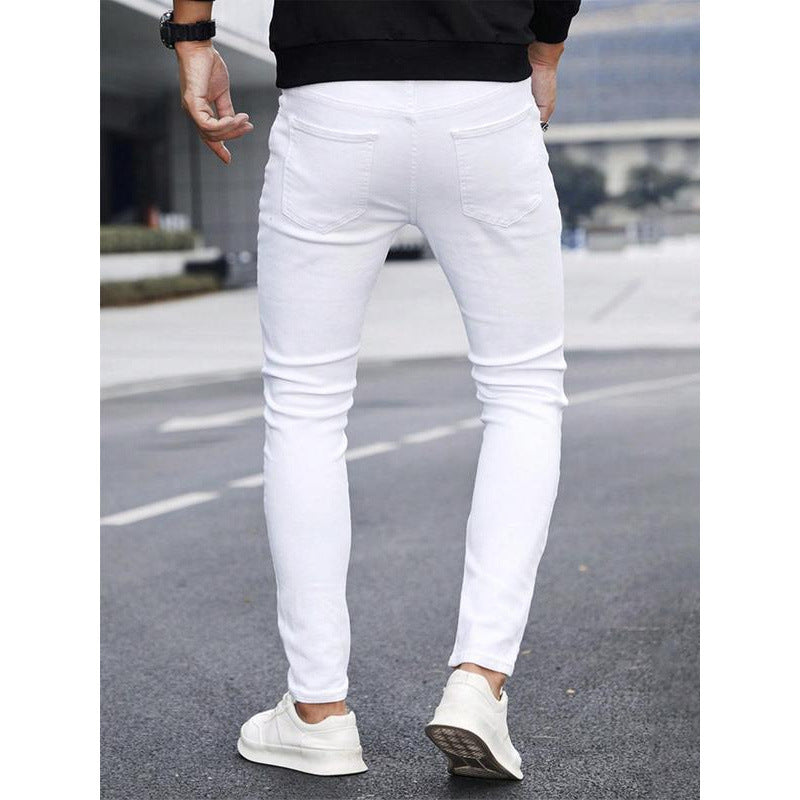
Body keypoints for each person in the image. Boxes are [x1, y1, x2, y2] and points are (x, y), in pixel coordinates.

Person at [168, 0, 580, 781]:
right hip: (486, 97)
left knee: (306, 405)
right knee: (523, 390)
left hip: (332, 97)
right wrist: (546, 53)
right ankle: (479, 681)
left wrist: (191, 38)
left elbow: (195, 24)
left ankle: (318, 713)